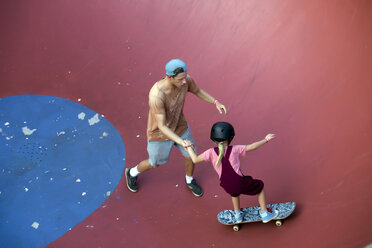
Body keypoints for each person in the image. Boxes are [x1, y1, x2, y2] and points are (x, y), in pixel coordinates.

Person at [125, 59, 227, 197]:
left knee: (191, 156)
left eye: (185, 77)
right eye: (180, 79)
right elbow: (161, 125)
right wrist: (181, 141)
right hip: (159, 134)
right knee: (154, 163)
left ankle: (189, 180)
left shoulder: (185, 80)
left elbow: (197, 91)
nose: (184, 82)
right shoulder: (157, 95)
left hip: (180, 127)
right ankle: (131, 173)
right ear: (169, 77)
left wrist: (215, 102)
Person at [185, 122, 279, 223]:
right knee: (260, 187)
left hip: (226, 185)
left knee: (234, 194)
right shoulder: (235, 149)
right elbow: (252, 147)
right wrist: (266, 139)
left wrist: (189, 148)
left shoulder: (210, 152)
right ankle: (265, 214)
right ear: (230, 138)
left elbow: (194, 159)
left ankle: (238, 215)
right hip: (239, 182)